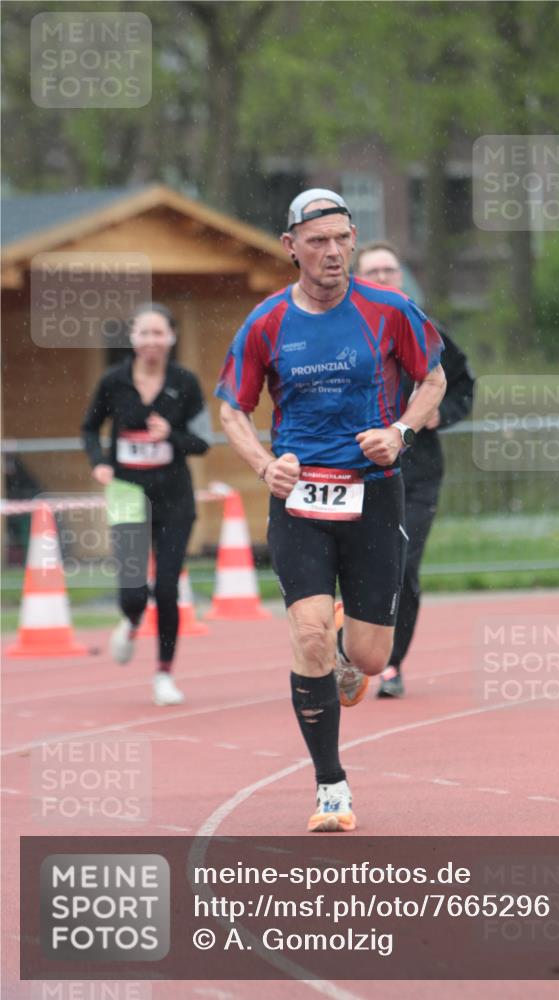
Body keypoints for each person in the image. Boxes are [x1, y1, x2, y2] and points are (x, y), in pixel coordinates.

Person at [216, 189, 446, 831]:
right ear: (291, 248)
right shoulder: (266, 323)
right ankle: (331, 788)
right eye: (318, 240)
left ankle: (351, 649)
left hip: (374, 490)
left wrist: (400, 432)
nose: (334, 251)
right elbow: (233, 405)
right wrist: (265, 464)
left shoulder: (390, 309)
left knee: (371, 658)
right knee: (308, 631)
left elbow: (436, 379)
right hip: (300, 498)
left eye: (343, 237)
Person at [356, 241, 475, 697]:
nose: (383, 277)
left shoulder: (428, 331)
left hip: (417, 471)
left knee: (402, 566)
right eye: (373, 271)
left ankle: (391, 663)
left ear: (401, 277)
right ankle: (349, 649)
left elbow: (463, 384)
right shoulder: (339, 333)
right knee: (357, 566)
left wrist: (443, 414)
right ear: (356, 278)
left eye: (390, 269)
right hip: (355, 469)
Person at [82, 303, 212, 706]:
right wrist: (100, 464)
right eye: (144, 333)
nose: (152, 341)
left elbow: (202, 442)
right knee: (134, 590)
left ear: (171, 338)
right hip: (126, 492)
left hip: (174, 496)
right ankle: (131, 618)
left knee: (169, 587)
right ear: (133, 338)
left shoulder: (185, 382)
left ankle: (164, 674)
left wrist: (170, 434)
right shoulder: (113, 381)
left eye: (160, 333)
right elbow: (89, 428)